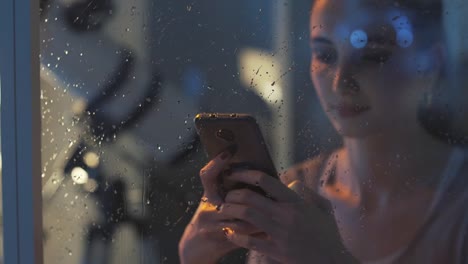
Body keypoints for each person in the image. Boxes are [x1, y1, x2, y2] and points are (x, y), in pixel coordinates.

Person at [178, 0, 468, 263]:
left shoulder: (458, 207)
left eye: (373, 55)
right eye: (325, 54)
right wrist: (195, 258)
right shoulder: (293, 193)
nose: (341, 80)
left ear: (431, 63)